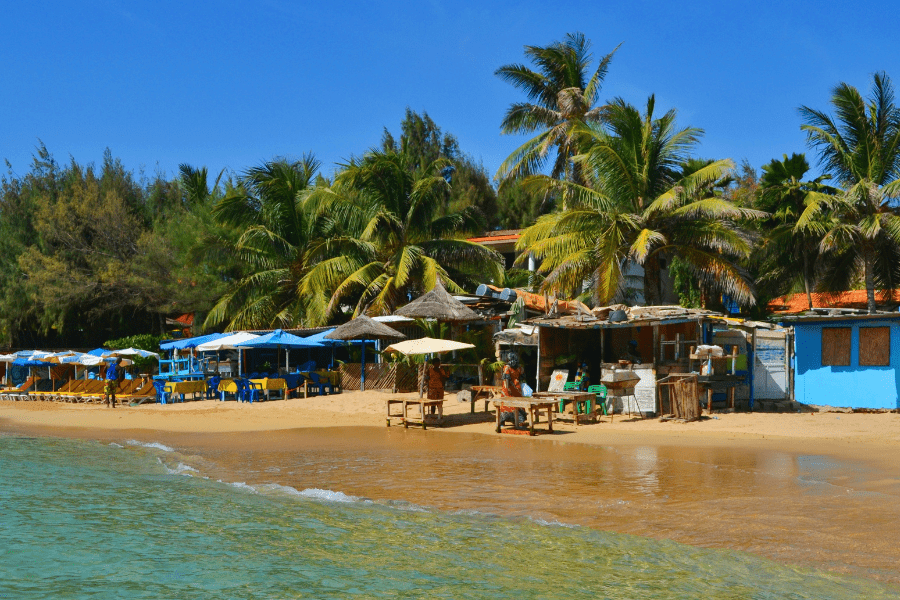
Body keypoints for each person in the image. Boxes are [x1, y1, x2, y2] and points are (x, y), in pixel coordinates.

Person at [499, 352, 527, 428]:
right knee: (518, 404)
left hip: (508, 390)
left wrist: (508, 388)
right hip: (517, 389)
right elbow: (522, 379)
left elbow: (506, 379)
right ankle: (519, 422)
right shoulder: (520, 368)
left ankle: (502, 422)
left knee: (506, 405)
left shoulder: (507, 367)